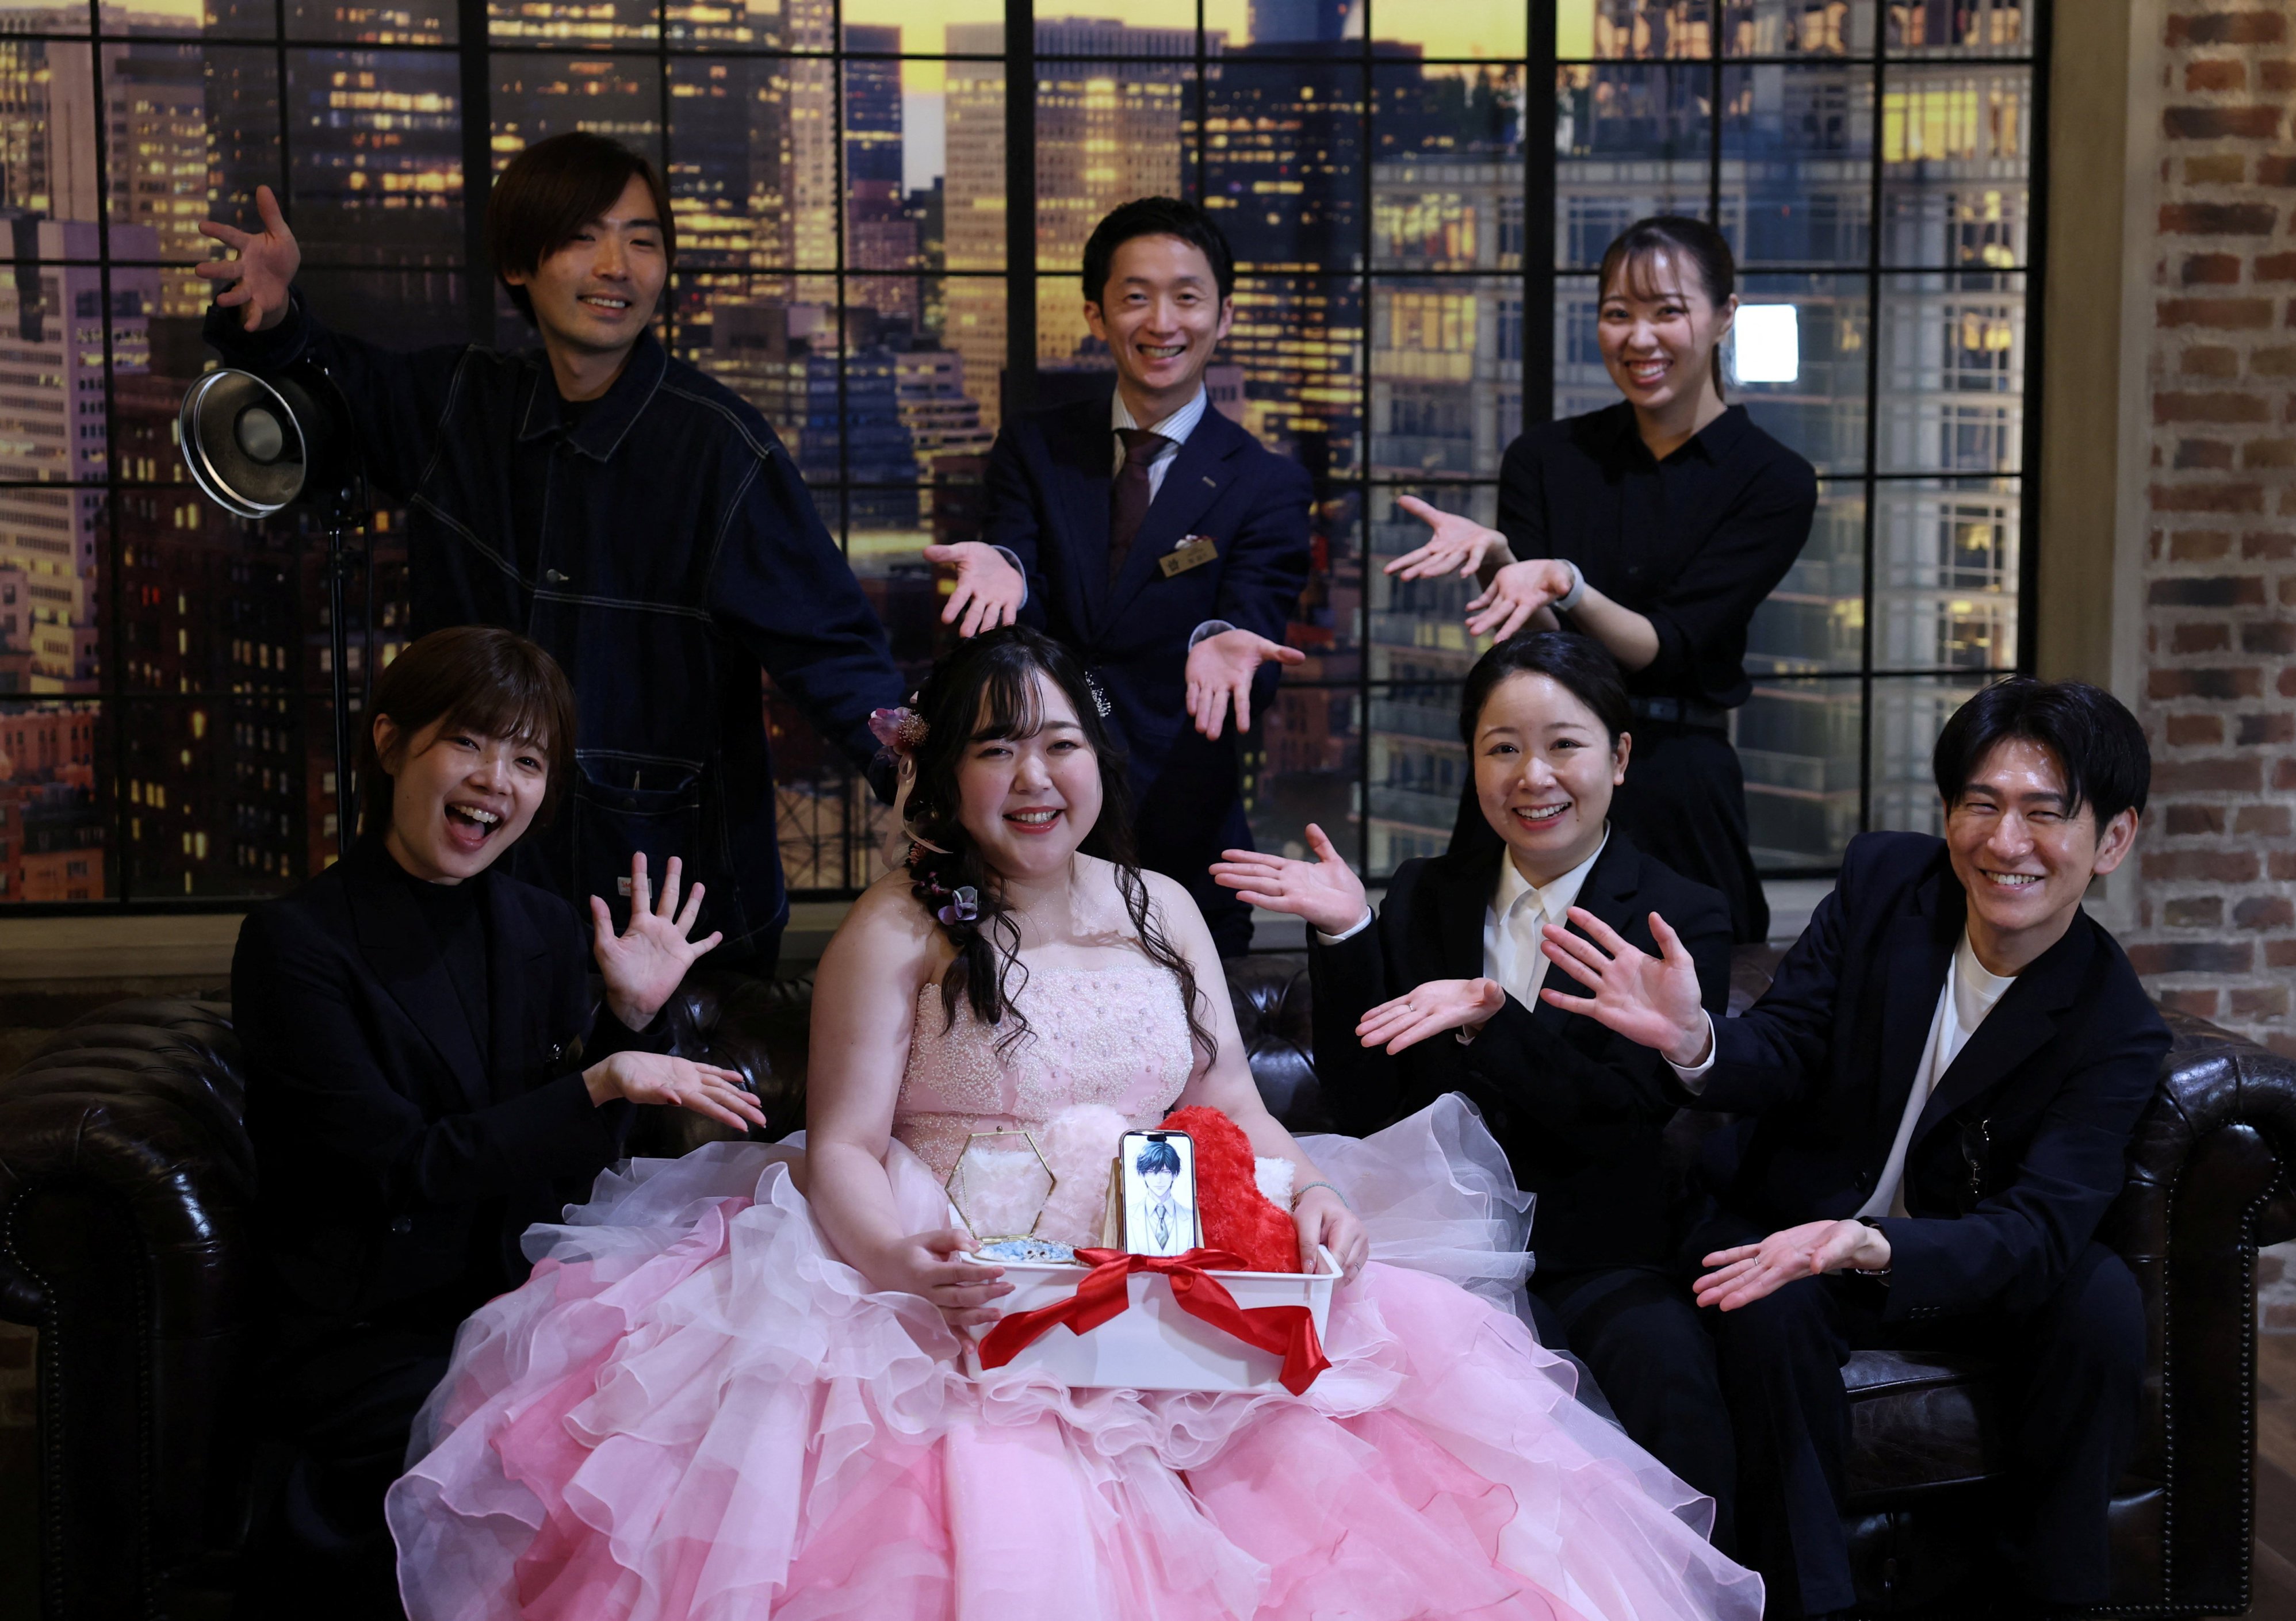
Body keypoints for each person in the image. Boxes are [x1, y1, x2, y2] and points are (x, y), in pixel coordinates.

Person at [387, 624, 1763, 1621]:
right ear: (951, 773)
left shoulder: (1163, 905)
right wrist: (904, 1266)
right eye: (998, 748)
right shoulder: (897, 926)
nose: (1035, 775)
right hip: (961, 1290)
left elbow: (1224, 1101)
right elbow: (845, 1146)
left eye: (1059, 743)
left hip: (1170, 1279)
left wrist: (1305, 1197)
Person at [197, 132, 1018, 972]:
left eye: (643, 239)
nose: (617, 264)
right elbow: (338, 388)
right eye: (583, 236)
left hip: (669, 909)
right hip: (472, 894)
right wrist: (272, 321)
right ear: (520, 263)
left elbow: (838, 657)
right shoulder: (461, 406)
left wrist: (953, 797)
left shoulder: (721, 450)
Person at [1536, 677, 2169, 1619]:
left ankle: (2051, 1593)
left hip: (1953, 1257)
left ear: (2111, 838)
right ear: (1949, 811)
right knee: (1767, 1294)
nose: (2005, 844)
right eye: (1982, 805)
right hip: (1799, 1230)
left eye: (2045, 814)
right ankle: (1812, 1602)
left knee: (2104, 1300)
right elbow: (1786, 1044)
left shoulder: (2115, 1023)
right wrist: (1695, 1040)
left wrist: (1869, 1243)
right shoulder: (1886, 887)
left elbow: (2038, 1229)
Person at [229, 627, 766, 1617]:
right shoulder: (295, 943)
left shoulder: (540, 925)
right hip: (370, 1328)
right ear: (390, 743)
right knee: (580, 1458)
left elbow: (576, 1166)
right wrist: (604, 1075)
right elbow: (400, 1164)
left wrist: (629, 1020)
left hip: (522, 1300)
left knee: (720, 1404)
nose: (497, 779)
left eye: (528, 759)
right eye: (470, 742)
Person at [1212, 630, 1740, 1549]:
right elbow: (1372, 1105)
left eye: (1564, 744)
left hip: (1600, 1251)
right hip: (1440, 1252)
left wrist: (1498, 1016)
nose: (1533, 774)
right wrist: (1346, 936)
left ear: (1618, 756)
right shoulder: (1426, 895)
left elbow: (1625, 1114)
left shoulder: (1677, 914)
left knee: (1676, 1388)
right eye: (1503, 748)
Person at [1386, 216, 1816, 943]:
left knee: (1693, 996)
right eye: (1618, 314)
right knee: (1481, 969)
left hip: (1675, 776)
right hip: (1540, 762)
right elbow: (1553, 656)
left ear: (1723, 317)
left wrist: (1566, 582)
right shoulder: (1547, 457)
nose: (1638, 338)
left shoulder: (1773, 479)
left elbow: (1666, 647)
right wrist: (1500, 559)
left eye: (1667, 311)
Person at [982, 196, 1314, 956]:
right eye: (1136, 297)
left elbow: (1253, 653)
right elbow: (1012, 606)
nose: (1162, 321)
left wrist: (1221, 636)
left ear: (1223, 315)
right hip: (1026, 837)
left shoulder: (1266, 484)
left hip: (1182, 851)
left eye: (1187, 297)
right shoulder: (1035, 449)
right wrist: (999, 568)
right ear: (1097, 314)